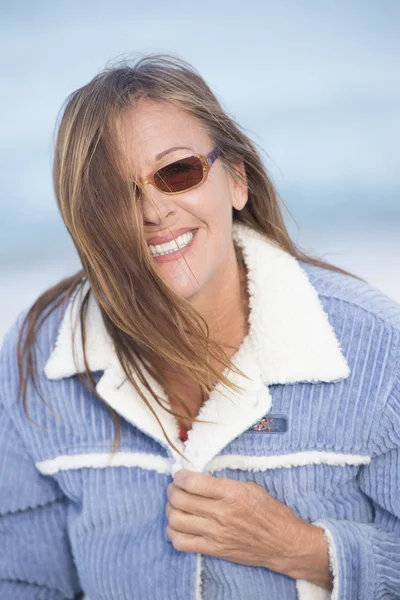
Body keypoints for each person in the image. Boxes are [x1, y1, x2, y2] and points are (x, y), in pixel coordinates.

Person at [0, 54, 399, 600]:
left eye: (177, 172)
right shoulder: (35, 361)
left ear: (236, 180)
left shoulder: (375, 349)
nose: (155, 210)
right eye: (116, 194)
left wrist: (305, 549)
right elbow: (21, 581)